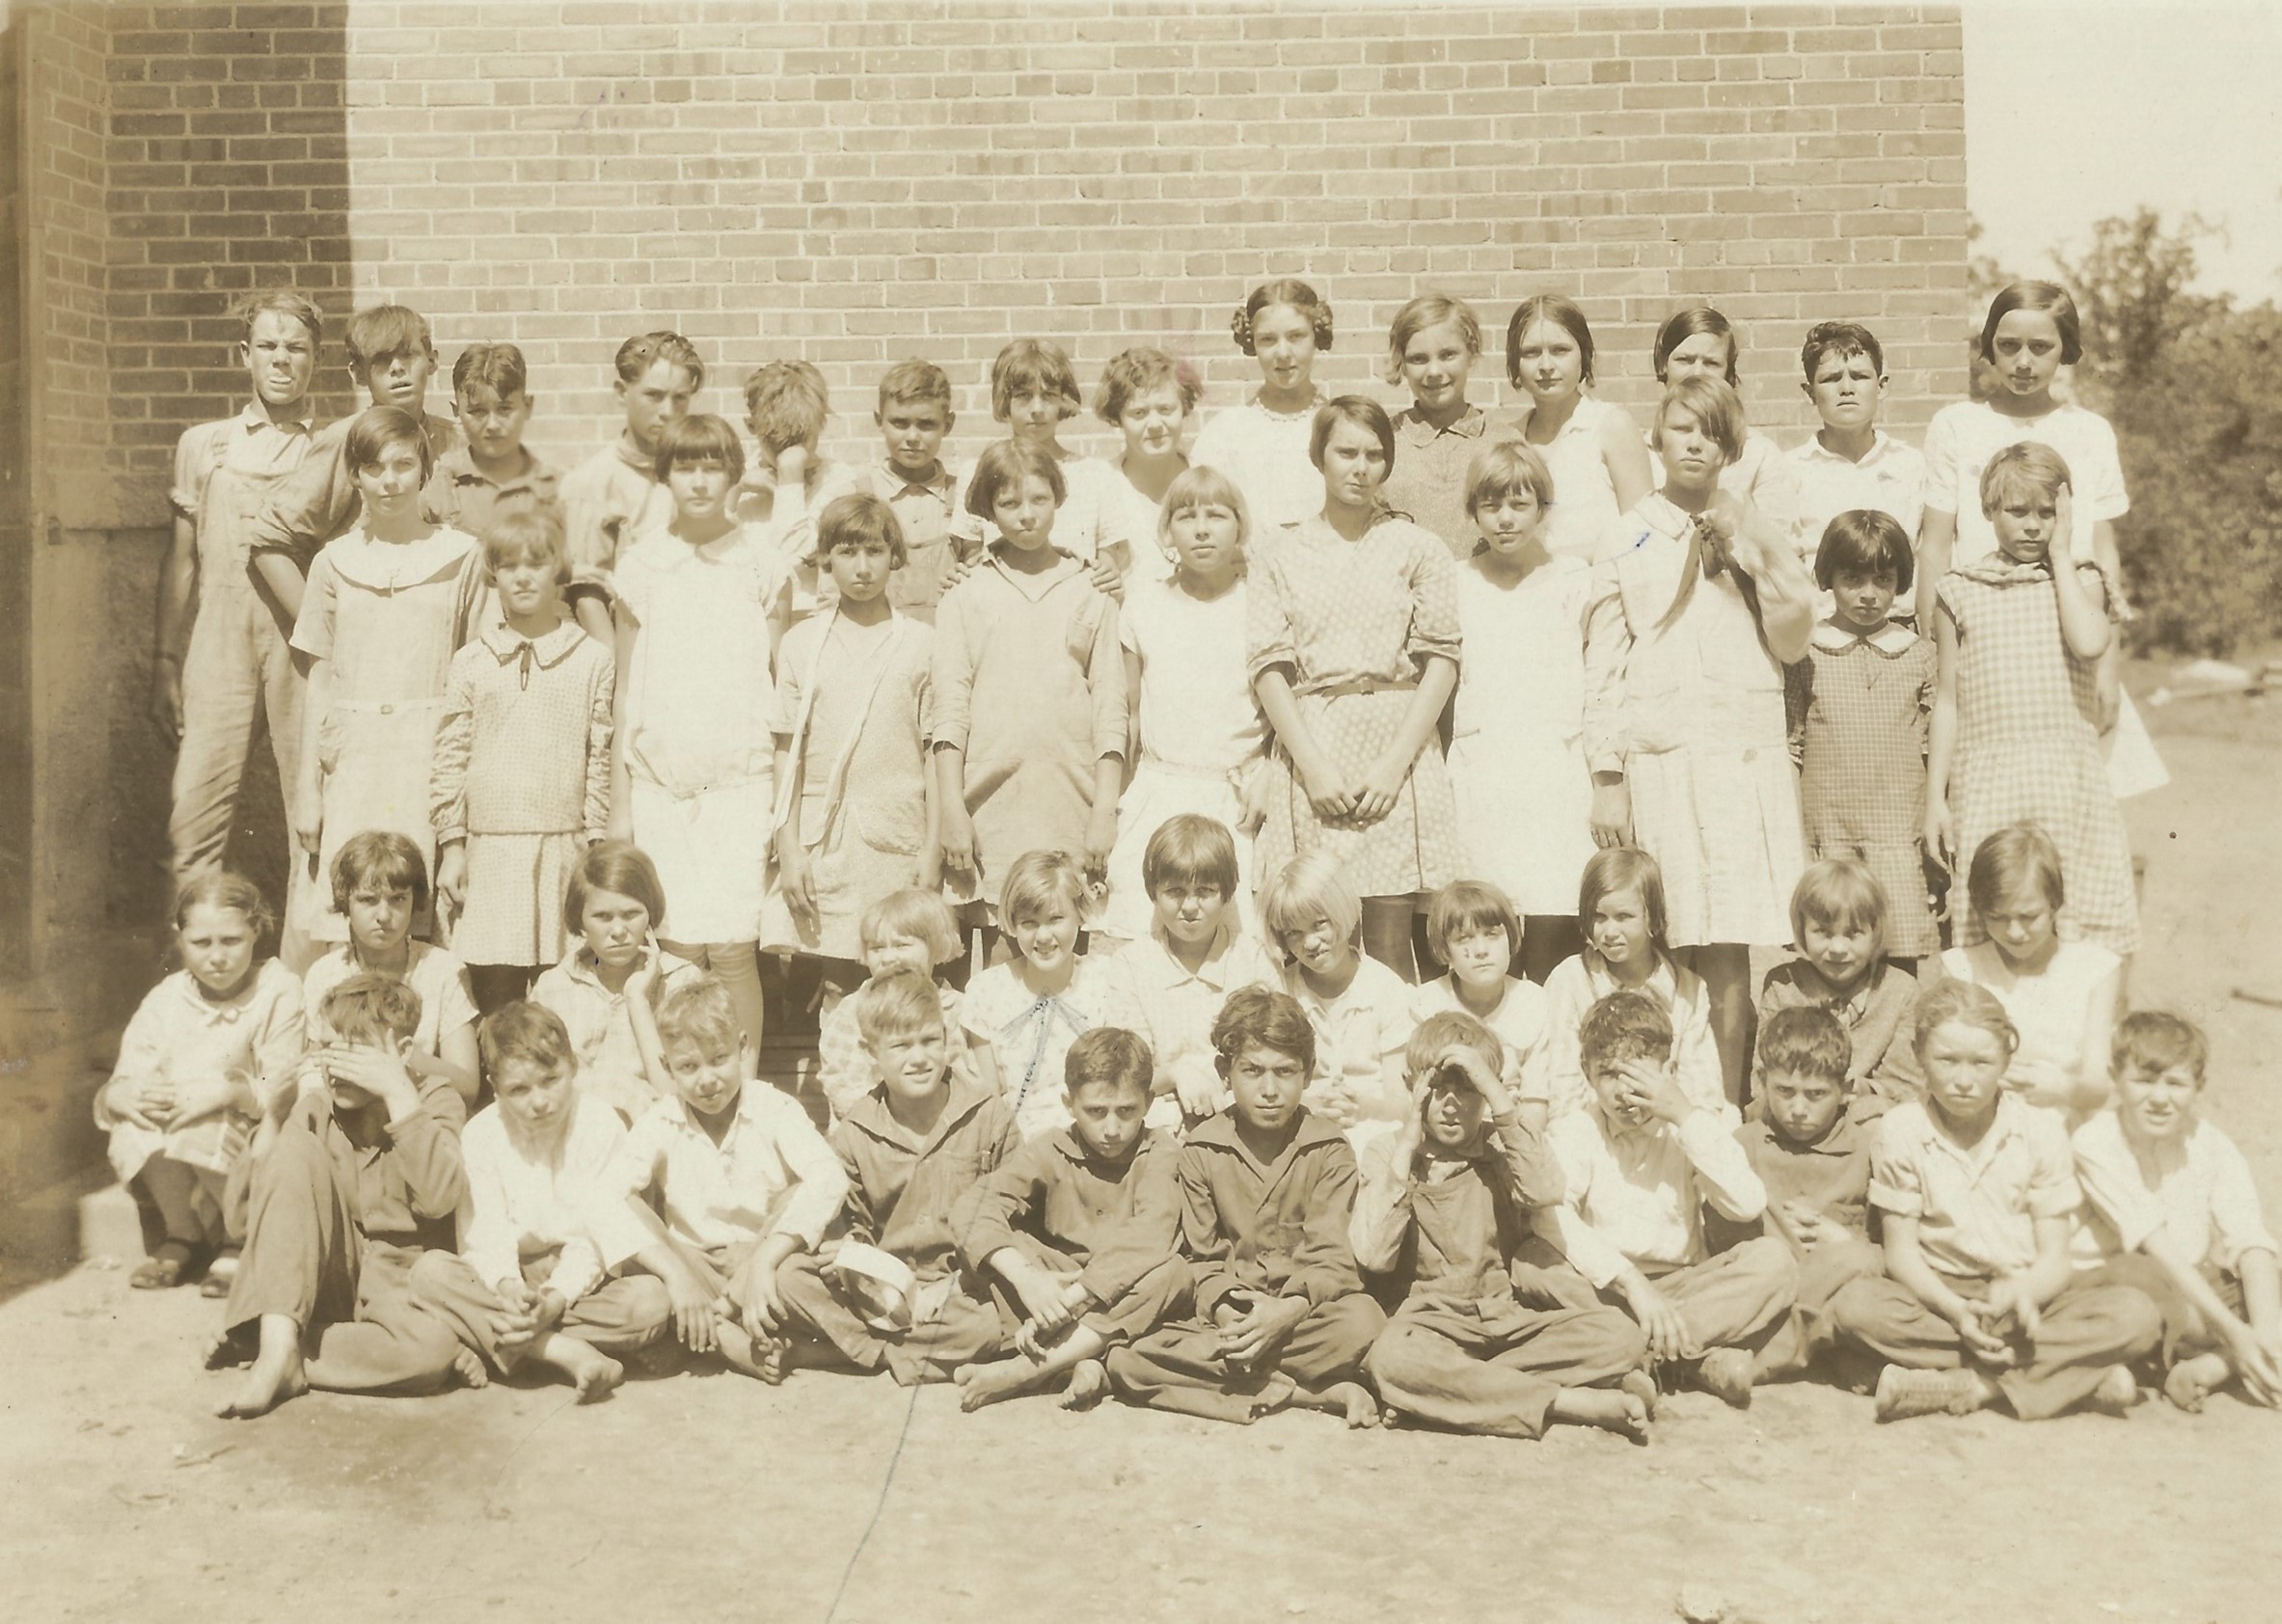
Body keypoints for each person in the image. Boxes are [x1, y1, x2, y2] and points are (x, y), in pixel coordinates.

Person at [1585, 375, 1816, 1104]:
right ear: (1658, 438)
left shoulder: (1752, 525)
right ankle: (1659, 1095)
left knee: (1728, 942)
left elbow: (1793, 632)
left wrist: (1752, 553)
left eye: (1712, 433)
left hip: (1737, 755)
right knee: (1668, 931)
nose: (1696, 444)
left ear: (1731, 447)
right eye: (1682, 429)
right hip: (1662, 757)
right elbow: (1605, 661)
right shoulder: (1629, 533)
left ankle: (1728, 1104)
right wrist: (1607, 772)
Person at [1830, 980, 2160, 1421]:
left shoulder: (2040, 1130)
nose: (1963, 1080)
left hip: (2026, 1298)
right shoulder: (1901, 1129)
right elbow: (1902, 1255)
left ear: (2006, 1058)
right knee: (1857, 1309)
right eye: (1946, 1060)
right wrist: (1956, 1310)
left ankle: (1973, 1385)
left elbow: (2055, 1258)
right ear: (1920, 1055)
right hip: (1938, 1296)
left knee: (2136, 1316)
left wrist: (2023, 1290)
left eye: (1982, 1062)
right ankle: (2074, 1378)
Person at [1353, 1011, 1652, 1440]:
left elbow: (1547, 1188)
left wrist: (1499, 1097)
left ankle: (1456, 1392)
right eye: (1438, 1090)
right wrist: (1408, 1146)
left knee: (1620, 1336)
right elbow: (1373, 1255)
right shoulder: (1388, 1152)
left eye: (1469, 1090)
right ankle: (1568, 1401)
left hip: (1509, 1319)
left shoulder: (1501, 1144)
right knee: (1393, 1360)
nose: (1452, 1105)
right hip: (1434, 1324)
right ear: (1412, 1088)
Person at [1920, 281, 2166, 803]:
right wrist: (1931, 653)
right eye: (2008, 346)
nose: (2023, 362)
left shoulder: (2090, 431)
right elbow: (1936, 546)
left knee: (2075, 799)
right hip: (1983, 635)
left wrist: (2110, 663)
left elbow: (2104, 555)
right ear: (1988, 346)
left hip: (2068, 637)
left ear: (2067, 350)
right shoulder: (1956, 425)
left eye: (2041, 347)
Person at [1249, 395, 1462, 979]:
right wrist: (1311, 766)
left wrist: (1396, 766)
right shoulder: (1279, 554)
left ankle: (1395, 1065)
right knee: (1319, 924)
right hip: (1316, 745)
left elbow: (1442, 658)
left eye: (1374, 454)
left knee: (1392, 935)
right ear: (1319, 456)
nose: (1360, 467)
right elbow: (1269, 666)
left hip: (1398, 745)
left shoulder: (1418, 548)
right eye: (1346, 452)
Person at [1104, 987, 1387, 1425]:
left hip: (1303, 1316)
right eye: (1252, 1071)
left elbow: (1332, 1259)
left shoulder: (1329, 1148)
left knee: (1364, 1322)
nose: (1269, 1089)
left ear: (1308, 1073)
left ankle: (1238, 1381)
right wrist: (1233, 1319)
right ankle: (1305, 1394)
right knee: (1130, 1359)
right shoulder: (1202, 1149)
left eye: (1285, 1071)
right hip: (1231, 1317)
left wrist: (1283, 1312)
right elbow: (1201, 1260)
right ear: (1225, 1071)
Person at [209, 973, 473, 1417]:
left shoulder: (435, 1100)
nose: (336, 1068)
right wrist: (274, 1117)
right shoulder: (319, 1106)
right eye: (327, 1049)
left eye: (356, 1053)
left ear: (403, 1053)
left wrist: (397, 1093)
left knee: (432, 1349)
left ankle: (284, 1345)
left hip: (397, 1296)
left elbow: (440, 1198)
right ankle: (278, 1350)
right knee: (293, 1148)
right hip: (325, 1281)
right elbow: (240, 1225)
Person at [609, 413, 787, 1052]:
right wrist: (622, 809)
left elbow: (780, 679)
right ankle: (684, 1089)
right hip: (663, 787)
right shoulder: (644, 565)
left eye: (714, 466)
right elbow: (626, 689)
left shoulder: (761, 561)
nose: (701, 481)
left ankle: (740, 1089)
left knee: (734, 949)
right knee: (679, 946)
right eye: (686, 466)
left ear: (734, 475)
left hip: (739, 786)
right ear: (666, 476)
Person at [155, 291, 324, 961]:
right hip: (218, 645)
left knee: (310, 820)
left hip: (299, 646)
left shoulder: (331, 448)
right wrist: (166, 660)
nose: (283, 359)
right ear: (245, 355)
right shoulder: (204, 446)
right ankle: (184, 987)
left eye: (298, 348)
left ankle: (306, 985)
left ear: (316, 360)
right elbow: (180, 561)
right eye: (270, 346)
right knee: (191, 817)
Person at [1926, 444, 2139, 961]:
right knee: (1998, 918)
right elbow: (1948, 700)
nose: (2032, 527)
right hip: (1988, 781)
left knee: (2077, 924)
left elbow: (2091, 643)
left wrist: (2063, 555)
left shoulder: (2080, 580)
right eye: (2018, 511)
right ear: (1988, 511)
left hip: (2067, 780)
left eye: (2047, 513)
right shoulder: (1960, 589)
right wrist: (1936, 797)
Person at [288, 405, 485, 948]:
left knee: (426, 921)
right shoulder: (333, 562)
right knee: (355, 919)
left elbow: (476, 677)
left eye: (403, 465)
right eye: (374, 468)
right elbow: (319, 681)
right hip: (353, 762)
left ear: (424, 470)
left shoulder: (462, 557)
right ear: (355, 475)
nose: (389, 481)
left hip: (430, 757)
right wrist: (309, 789)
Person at [1541, 990, 1796, 1407]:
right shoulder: (1577, 1128)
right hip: (1609, 1290)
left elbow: (1747, 1203)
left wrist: (1683, 1116)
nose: (1625, 1091)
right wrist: (1633, 1284)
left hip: (1686, 1287)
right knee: (1535, 1266)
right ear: (1586, 1074)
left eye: (1639, 1075)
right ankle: (1686, 1358)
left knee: (1775, 1262)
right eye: (1609, 1074)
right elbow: (1552, 1215)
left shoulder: (1688, 1124)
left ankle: (1636, 1358)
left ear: (1667, 1069)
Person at [410, 1003, 675, 1402]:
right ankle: (564, 1352)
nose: (539, 1101)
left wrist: (552, 1301)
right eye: (519, 1089)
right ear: (495, 1087)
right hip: (509, 1280)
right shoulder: (482, 1134)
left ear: (573, 1066)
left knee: (650, 1302)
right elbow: (484, 1236)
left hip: (586, 1278)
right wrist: (509, 1287)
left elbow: (597, 1238)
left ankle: (494, 1340)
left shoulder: (600, 1122)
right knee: (429, 1274)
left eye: (551, 1080)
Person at [771, 970, 1021, 1385]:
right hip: (883, 1286)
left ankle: (850, 1352)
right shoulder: (854, 1132)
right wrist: (853, 1256)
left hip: (964, 1285)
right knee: (791, 1278)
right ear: (871, 1052)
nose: (919, 1058)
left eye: (929, 1041)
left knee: (989, 1320)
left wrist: (957, 1282)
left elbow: (1015, 1217)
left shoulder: (990, 1115)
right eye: (901, 1046)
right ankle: (902, 1354)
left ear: (946, 1038)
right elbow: (849, 1223)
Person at [950, 1028, 1193, 1409]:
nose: (1111, 1128)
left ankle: (1027, 1369)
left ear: (1148, 1102)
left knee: (1173, 1273)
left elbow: (1152, 1232)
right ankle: (1086, 1358)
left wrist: (1074, 1300)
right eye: (1096, 1111)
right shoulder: (1050, 1148)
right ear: (1069, 1103)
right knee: (1006, 1242)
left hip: (1114, 1287)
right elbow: (973, 1206)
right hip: (1056, 1284)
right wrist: (1029, 1279)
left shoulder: (1161, 1152)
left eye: (1126, 1111)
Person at [430, 509, 614, 1013]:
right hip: (491, 849)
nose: (524, 576)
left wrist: (593, 845)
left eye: (537, 563)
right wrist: (453, 845)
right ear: (494, 574)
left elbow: (600, 756)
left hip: (564, 847)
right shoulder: (472, 659)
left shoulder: (591, 659)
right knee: (496, 990)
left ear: (559, 569)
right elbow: (450, 755)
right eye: (509, 565)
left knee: (567, 984)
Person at [621, 978, 850, 1382]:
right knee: (629, 1211)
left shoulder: (774, 1107)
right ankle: (727, 1334)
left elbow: (829, 1176)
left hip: (759, 1260)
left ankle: (706, 1329)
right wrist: (677, 1277)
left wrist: (762, 1261)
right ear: (666, 1066)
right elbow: (608, 1195)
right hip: (694, 1265)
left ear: (742, 1047)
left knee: (797, 1198)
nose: (706, 1079)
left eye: (719, 1059)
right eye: (688, 1067)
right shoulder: (661, 1118)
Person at [933, 439, 1126, 918]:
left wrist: (1104, 809)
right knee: (999, 946)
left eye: (1039, 499)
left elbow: (1110, 708)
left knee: (1065, 943)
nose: (1025, 515)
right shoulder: (965, 594)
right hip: (990, 808)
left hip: (1071, 803)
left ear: (1059, 498)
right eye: (1009, 503)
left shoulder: (1090, 590)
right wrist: (952, 809)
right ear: (987, 509)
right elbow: (950, 711)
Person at [96, 871, 304, 1292]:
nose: (217, 957)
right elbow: (128, 1073)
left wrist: (230, 1091)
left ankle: (238, 1239)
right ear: (180, 938)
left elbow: (284, 1084)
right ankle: (183, 1234)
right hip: (182, 1143)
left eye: (231, 941)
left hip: (252, 1132)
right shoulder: (168, 998)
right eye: (201, 943)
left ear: (256, 931)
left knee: (203, 1120)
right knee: (135, 1123)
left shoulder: (277, 990)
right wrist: (124, 1095)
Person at [762, 493, 937, 986]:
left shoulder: (922, 643)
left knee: (901, 975)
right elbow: (786, 754)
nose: (862, 568)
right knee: (837, 982)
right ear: (825, 559)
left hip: (896, 840)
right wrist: (789, 846)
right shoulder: (802, 644)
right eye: (846, 552)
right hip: (826, 842)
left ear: (895, 557)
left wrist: (931, 848)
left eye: (875, 552)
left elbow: (934, 754)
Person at [2072, 1011, 2282, 1411]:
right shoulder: (2095, 1141)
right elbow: (2157, 1247)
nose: (2160, 1098)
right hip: (2120, 1286)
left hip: (2191, 1292)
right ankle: (2217, 1357)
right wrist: (2239, 1335)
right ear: (2116, 1078)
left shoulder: (2211, 1144)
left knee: (2268, 1281)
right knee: (2139, 1301)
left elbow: (2250, 1239)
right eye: (2144, 1081)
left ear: (2198, 1087)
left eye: (2175, 1083)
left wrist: (2267, 1337)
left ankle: (2214, 1366)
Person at [1097, 464, 1268, 946]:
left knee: (1237, 942)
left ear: (1240, 526)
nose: (1201, 528)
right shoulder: (1144, 604)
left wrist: (1272, 773)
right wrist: (1115, 804)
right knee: (1143, 937)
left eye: (1216, 515)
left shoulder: (1261, 602)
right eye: (1186, 516)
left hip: (1237, 798)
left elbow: (1284, 708)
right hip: (1160, 788)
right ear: (1167, 530)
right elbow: (1126, 712)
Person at [1445, 440, 1596, 975]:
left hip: (1554, 776)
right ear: (1473, 511)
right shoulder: (1456, 582)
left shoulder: (1576, 579)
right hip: (1485, 775)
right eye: (1491, 505)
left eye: (1520, 503)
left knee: (1556, 935)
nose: (1505, 519)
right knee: (1488, 927)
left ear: (1543, 508)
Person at [246, 304, 465, 631]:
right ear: (358, 374)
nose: (397, 370)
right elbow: (269, 540)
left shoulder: (457, 440)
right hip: (371, 630)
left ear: (432, 361)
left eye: (408, 356)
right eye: (380, 361)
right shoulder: (346, 440)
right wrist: (322, 631)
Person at [1787, 510, 1942, 961]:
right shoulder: (1805, 653)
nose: (1869, 594)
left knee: (1897, 955)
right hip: (1829, 833)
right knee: (1829, 955)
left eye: (1883, 580)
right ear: (1828, 578)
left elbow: (1935, 749)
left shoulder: (1919, 656)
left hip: (1896, 831)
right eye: (1853, 579)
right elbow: (1791, 746)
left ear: (1901, 582)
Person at [1719, 1006, 1883, 1388]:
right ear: (1761, 1081)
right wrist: (1768, 1233)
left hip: (1838, 1293)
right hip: (1764, 1298)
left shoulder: (1868, 1151)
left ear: (1845, 1091)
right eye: (1784, 1091)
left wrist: (1844, 1243)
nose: (1797, 1109)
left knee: (1857, 1268)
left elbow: (1889, 1252)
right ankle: (1822, 1352)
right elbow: (1718, 1247)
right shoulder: (1742, 1147)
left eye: (1816, 1095)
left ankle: (1770, 1358)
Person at [1100, 815, 1279, 1131]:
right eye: (1176, 891)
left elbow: (1274, 1056)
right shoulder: (1131, 965)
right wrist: (1176, 1074)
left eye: (1205, 891)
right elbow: (1124, 1073)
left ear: (1226, 893)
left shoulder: (1251, 961)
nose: (1190, 906)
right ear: (1154, 893)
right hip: (1158, 1120)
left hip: (1241, 1115)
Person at [1939, 824, 2122, 1119]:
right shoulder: (1960, 968)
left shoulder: (2095, 969)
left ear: (2054, 904)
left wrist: (2065, 1090)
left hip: (2068, 1115)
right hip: (1984, 1117)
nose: (2014, 932)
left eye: (2029, 916)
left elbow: (2098, 1083)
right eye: (1997, 917)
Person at [1539, 848, 1724, 1123]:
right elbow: (1563, 1087)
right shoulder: (1569, 981)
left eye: (1624, 917)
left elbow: (1702, 1093)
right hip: (1593, 1131)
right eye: (1599, 917)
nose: (1610, 932)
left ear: (1653, 917)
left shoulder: (1687, 990)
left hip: (1664, 1134)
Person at [529, 841, 701, 1124]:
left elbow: (678, 1097)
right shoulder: (552, 988)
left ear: (650, 913)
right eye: (602, 917)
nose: (619, 930)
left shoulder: (682, 982)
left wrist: (637, 999)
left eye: (632, 914)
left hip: (654, 1133)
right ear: (580, 920)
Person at [299, 832, 479, 1102]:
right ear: (344, 901)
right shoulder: (326, 973)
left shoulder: (442, 970)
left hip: (417, 1110)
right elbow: (314, 1073)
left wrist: (395, 1055)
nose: (384, 916)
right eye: (368, 900)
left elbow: (468, 1085)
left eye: (397, 899)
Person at [959, 851, 1119, 1142]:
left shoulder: (1107, 980)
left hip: (1098, 1140)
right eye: (1029, 923)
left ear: (1079, 915)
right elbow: (989, 1098)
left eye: (1056, 919)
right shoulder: (987, 992)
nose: (1043, 936)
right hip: (1020, 1146)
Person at [1263, 853, 1413, 1152]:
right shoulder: (1281, 989)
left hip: (1374, 1133)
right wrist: (1309, 1104)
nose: (1309, 943)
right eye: (1294, 933)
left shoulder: (1386, 990)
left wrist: (1363, 1109)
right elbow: (1267, 1085)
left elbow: (1402, 1104)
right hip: (1299, 1130)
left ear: (1342, 913)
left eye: (1319, 924)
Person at [558, 330, 704, 636]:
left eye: (680, 398)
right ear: (622, 392)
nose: (667, 412)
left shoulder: (703, 475)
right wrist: (620, 675)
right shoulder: (592, 483)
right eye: (653, 395)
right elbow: (587, 595)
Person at [1780, 322, 1925, 618]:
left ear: (1881, 386)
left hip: (1898, 627)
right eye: (1831, 378)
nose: (1846, 388)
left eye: (1859, 376)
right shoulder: (1788, 470)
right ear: (1809, 392)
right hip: (1820, 633)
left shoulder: (1911, 465)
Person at [1758, 859, 1923, 1113]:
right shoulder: (1783, 986)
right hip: (1797, 1111)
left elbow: (1905, 1084)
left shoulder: (1900, 989)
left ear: (1875, 933)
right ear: (1802, 931)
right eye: (1823, 932)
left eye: (1853, 933)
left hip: (1864, 1112)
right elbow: (1763, 1073)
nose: (1837, 948)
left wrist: (1866, 1089)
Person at [1503, 293, 1652, 563]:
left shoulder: (1611, 426)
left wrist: (1557, 562)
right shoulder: (1510, 439)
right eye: (1531, 352)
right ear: (1516, 363)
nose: (1546, 366)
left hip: (1601, 592)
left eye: (1560, 350)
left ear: (1583, 355)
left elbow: (1644, 536)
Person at [1646, 305, 1806, 550]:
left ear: (1728, 373)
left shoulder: (1758, 453)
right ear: (1663, 365)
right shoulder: (1639, 451)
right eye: (1684, 360)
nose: (1697, 372)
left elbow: (1782, 545)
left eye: (1711, 363)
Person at [813, 887, 976, 1121]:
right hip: (870, 1130)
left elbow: (970, 1080)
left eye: (901, 945)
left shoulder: (959, 1009)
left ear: (935, 946)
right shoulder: (852, 1011)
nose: (888, 958)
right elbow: (843, 1087)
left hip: (947, 1127)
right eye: (877, 948)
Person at [1191, 278, 1336, 538]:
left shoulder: (1340, 424)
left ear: (1316, 337)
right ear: (1252, 343)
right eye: (1268, 339)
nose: (1282, 352)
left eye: (1296, 336)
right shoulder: (1225, 432)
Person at [1408, 880, 1552, 1131]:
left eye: (1492, 935)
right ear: (1445, 950)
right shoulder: (1425, 1004)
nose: (1481, 950)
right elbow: (1415, 1100)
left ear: (1511, 936)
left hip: (1513, 1135)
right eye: (1464, 939)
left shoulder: (1533, 1001)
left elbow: (1535, 1103)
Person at [733, 359, 862, 627]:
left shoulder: (838, 483)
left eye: (800, 441)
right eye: (777, 443)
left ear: (820, 425)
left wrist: (789, 480)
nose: (788, 454)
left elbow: (795, 558)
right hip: (748, 622)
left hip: (812, 620)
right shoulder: (738, 480)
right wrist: (736, 489)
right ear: (752, 426)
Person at [1376, 293, 1504, 557]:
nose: (1434, 371)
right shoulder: (1382, 440)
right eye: (1419, 359)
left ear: (1471, 353)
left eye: (1447, 355)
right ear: (1402, 363)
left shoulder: (1503, 441)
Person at [864, 359, 982, 622]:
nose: (913, 437)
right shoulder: (859, 495)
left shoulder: (966, 497)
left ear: (947, 425)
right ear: (879, 421)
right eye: (900, 423)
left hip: (949, 639)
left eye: (926, 424)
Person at [983, 338, 1115, 562]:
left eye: (1049, 396)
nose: (1037, 409)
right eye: (1023, 395)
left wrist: (1108, 569)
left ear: (1063, 400)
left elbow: (1110, 552)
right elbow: (969, 554)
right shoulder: (981, 469)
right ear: (1005, 400)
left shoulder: (1095, 474)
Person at [430, 342, 562, 552]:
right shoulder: (440, 487)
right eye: (477, 411)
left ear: (527, 406)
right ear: (457, 412)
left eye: (504, 409)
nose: (492, 425)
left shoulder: (555, 489)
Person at [1093, 346, 1202, 587]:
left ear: (1183, 408)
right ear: (1118, 418)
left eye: (1165, 409)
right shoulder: (1101, 487)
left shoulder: (1209, 482)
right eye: (1139, 413)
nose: (1154, 424)